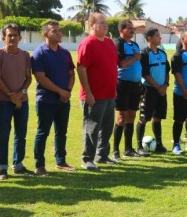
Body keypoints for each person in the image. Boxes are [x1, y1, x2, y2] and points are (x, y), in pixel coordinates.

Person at [31, 20, 75, 175]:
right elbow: (41, 78)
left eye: (59, 30)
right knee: (43, 132)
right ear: (45, 34)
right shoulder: (39, 53)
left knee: (61, 132)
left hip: (64, 99)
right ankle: (39, 165)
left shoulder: (65, 53)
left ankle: (61, 161)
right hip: (46, 100)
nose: (59, 33)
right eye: (54, 31)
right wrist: (60, 91)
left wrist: (67, 91)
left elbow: (71, 74)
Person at [77, 12, 119, 171]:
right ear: (92, 25)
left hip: (109, 94)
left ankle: (102, 155)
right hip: (94, 95)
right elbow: (81, 69)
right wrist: (88, 93)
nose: (105, 25)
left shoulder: (109, 42)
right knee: (92, 128)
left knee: (107, 127)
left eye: (105, 22)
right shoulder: (88, 43)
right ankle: (87, 158)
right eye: (101, 23)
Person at [0, 23, 32, 180]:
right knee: (3, 135)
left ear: (20, 38)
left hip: (22, 101)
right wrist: (11, 95)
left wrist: (20, 94)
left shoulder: (25, 55)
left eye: (15, 35)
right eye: (10, 35)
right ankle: (2, 168)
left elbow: (28, 78)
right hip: (4, 102)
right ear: (3, 38)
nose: (13, 38)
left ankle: (18, 165)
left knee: (21, 135)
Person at [136, 28, 170, 155]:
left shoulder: (163, 53)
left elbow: (167, 71)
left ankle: (159, 144)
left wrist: (165, 85)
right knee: (144, 118)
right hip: (148, 90)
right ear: (149, 38)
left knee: (158, 117)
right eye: (157, 36)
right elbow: (145, 74)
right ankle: (139, 146)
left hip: (161, 90)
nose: (160, 38)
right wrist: (158, 87)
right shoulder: (144, 54)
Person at [113, 19, 143, 158]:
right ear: (121, 30)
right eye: (129, 28)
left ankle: (128, 149)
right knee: (121, 117)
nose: (132, 30)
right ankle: (115, 151)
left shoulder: (135, 44)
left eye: (133, 28)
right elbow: (121, 64)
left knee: (131, 115)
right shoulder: (119, 43)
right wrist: (135, 58)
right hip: (123, 85)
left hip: (135, 85)